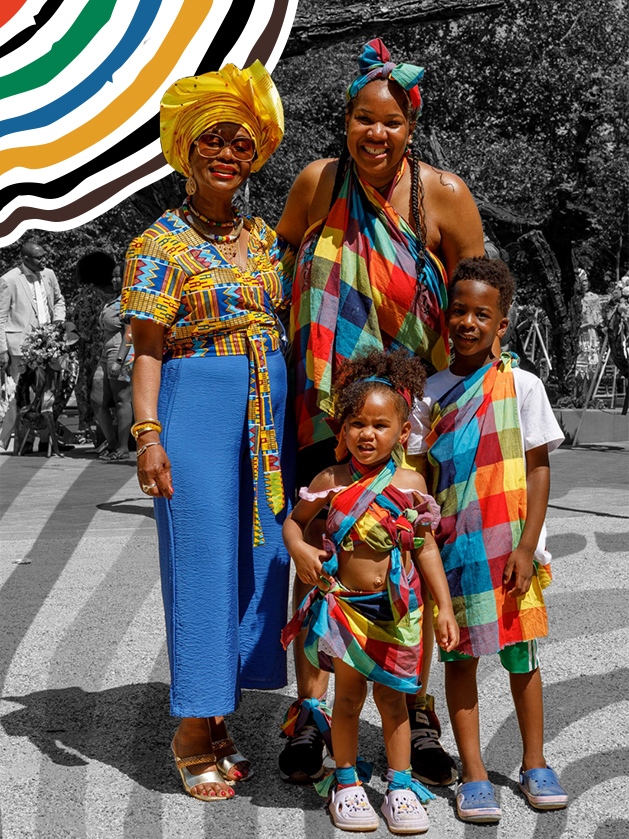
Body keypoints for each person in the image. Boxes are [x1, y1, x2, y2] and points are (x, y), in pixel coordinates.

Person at [276, 38, 484, 785]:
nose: (376, 134)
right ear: (345, 120)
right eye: (363, 118)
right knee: (322, 548)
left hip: (411, 417)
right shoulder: (314, 184)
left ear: (410, 127)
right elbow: (280, 275)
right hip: (324, 409)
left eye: (391, 122)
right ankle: (310, 707)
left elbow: (477, 292)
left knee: (400, 547)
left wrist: (495, 380)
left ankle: (412, 703)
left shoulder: (446, 196)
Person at [120, 61, 294, 801]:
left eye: (241, 144)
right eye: (213, 141)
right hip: (195, 401)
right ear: (186, 150)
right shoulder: (157, 244)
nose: (227, 154)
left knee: (261, 557)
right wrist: (148, 434)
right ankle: (191, 726)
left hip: (268, 410)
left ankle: (221, 710)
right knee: (201, 559)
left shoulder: (262, 236)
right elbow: (148, 348)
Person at [407, 257, 568, 822]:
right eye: (460, 311)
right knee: (460, 662)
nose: (469, 323)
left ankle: (535, 761)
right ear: (445, 319)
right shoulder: (429, 394)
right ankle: (473, 772)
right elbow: (417, 473)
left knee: (522, 657)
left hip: (511, 551)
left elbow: (540, 469)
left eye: (483, 314)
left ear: (503, 325)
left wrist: (528, 547)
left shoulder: (523, 385)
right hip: (455, 551)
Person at [282, 349, 459, 833]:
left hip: (398, 616)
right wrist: (300, 551)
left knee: (395, 700)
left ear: (403, 434)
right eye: (357, 424)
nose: (367, 434)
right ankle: (345, 782)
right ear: (341, 431)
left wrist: (443, 606)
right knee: (348, 699)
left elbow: (424, 550)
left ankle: (399, 786)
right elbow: (294, 525)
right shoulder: (330, 482)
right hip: (345, 610)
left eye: (381, 425)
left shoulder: (410, 482)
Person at [0, 241, 66, 451]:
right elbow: (1, 317)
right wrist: (2, 349)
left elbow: (59, 300)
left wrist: (58, 324)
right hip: (21, 346)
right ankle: (24, 441)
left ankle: (48, 440)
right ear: (25, 259)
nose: (44, 261)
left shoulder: (49, 274)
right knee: (22, 395)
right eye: (39, 258)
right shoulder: (8, 280)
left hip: (49, 344)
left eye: (44, 256)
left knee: (50, 391)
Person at [89, 260, 134, 460]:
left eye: (119, 276)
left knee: (122, 400)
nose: (114, 279)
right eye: (113, 276)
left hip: (120, 353)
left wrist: (119, 360)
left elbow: (129, 333)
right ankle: (112, 442)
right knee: (96, 399)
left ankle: (123, 448)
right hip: (105, 353)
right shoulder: (113, 300)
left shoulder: (129, 301)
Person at [73, 252, 120, 443]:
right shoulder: (120, 293)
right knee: (119, 398)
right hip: (118, 348)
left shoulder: (89, 295)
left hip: (94, 353)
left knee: (95, 396)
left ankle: (102, 438)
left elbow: (82, 328)